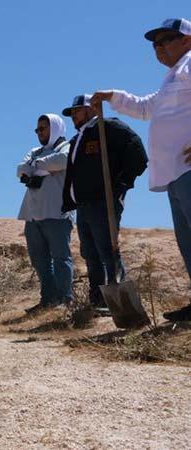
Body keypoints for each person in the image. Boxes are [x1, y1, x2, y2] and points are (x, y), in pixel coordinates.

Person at [90, 18, 191, 322]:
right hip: (174, 171)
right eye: (155, 44)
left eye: (166, 40)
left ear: (186, 40)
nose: (159, 48)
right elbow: (146, 108)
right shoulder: (172, 78)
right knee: (186, 240)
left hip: (188, 168)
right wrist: (113, 96)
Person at [61, 95, 148, 312]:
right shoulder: (77, 139)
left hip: (104, 201)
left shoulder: (107, 127)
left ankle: (120, 303)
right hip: (83, 204)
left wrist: (121, 184)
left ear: (91, 109)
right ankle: (98, 300)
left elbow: (137, 151)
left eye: (77, 111)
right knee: (90, 252)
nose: (73, 116)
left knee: (107, 249)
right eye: (71, 113)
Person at [16, 114, 74, 313]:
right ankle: (48, 299)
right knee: (39, 260)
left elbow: (63, 160)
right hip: (33, 214)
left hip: (56, 212)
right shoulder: (35, 151)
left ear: (55, 128)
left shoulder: (66, 147)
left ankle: (65, 299)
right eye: (38, 129)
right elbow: (20, 169)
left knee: (60, 258)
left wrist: (36, 166)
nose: (39, 132)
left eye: (43, 128)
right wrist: (45, 168)